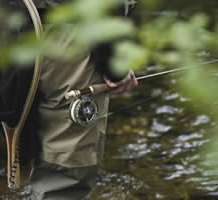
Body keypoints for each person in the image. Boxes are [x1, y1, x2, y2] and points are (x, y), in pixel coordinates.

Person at [26, 1, 138, 199]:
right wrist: (115, 66)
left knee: (46, 149)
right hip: (71, 38)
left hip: (18, 30)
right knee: (66, 174)